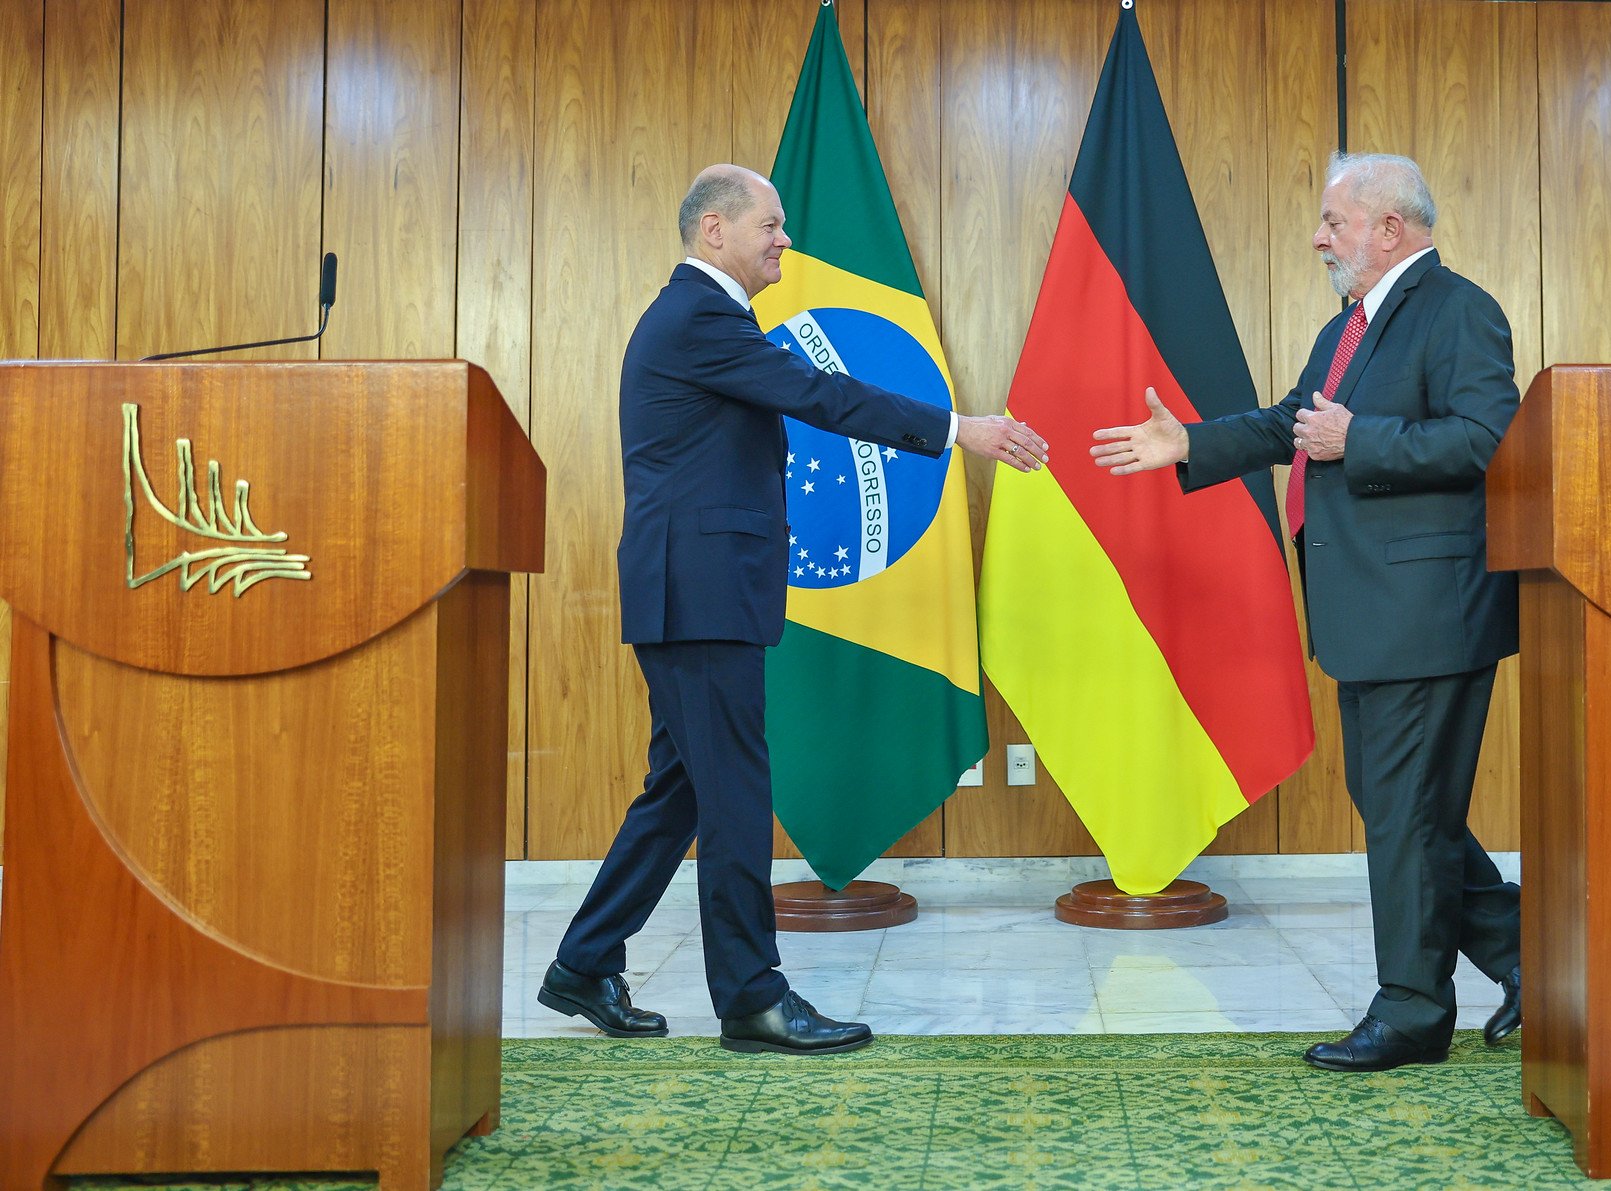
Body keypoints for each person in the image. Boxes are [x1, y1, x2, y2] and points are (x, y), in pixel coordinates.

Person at [539, 164, 1049, 1056]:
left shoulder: (705, 319)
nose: (784, 239)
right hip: (698, 593)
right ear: (714, 233)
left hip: (696, 589)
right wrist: (957, 429)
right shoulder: (700, 316)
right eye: (769, 225)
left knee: (684, 790)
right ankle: (751, 998)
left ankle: (583, 961)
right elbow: (822, 396)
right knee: (733, 791)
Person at [1089, 153, 1521, 1073]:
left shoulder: (1459, 311)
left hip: (1427, 611)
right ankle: (1537, 958)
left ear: (1389, 229)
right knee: (1403, 806)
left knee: (1406, 810)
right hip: (1373, 609)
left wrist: (1358, 437)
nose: (1320, 238)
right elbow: (1296, 418)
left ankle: (1411, 1011)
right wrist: (1187, 445)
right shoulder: (1349, 328)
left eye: (1334, 221)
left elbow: (1490, 438)